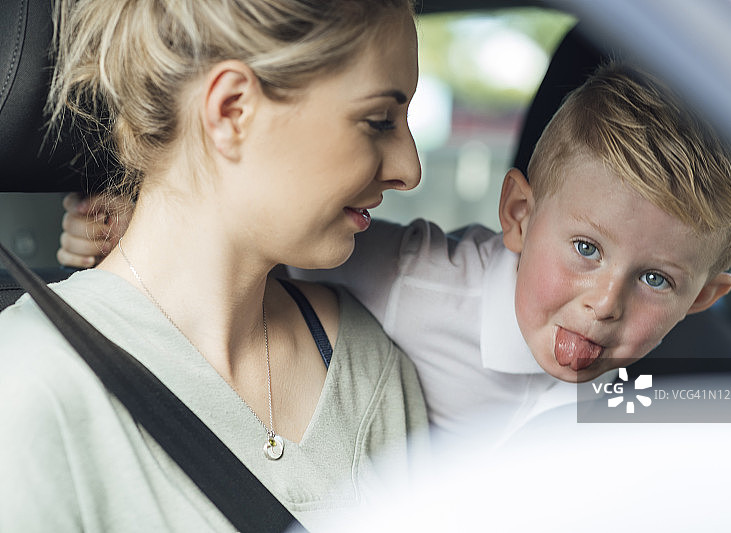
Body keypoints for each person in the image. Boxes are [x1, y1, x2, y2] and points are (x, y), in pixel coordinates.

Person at [58, 63, 731, 446]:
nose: (605, 301)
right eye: (585, 248)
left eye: (655, 278)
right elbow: (248, 244)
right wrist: (136, 224)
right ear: (518, 216)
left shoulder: (667, 398)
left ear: (704, 298)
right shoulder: (417, 280)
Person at [0, 1, 430, 531]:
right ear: (231, 110)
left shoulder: (369, 366)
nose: (410, 169)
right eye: (378, 121)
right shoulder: (28, 384)